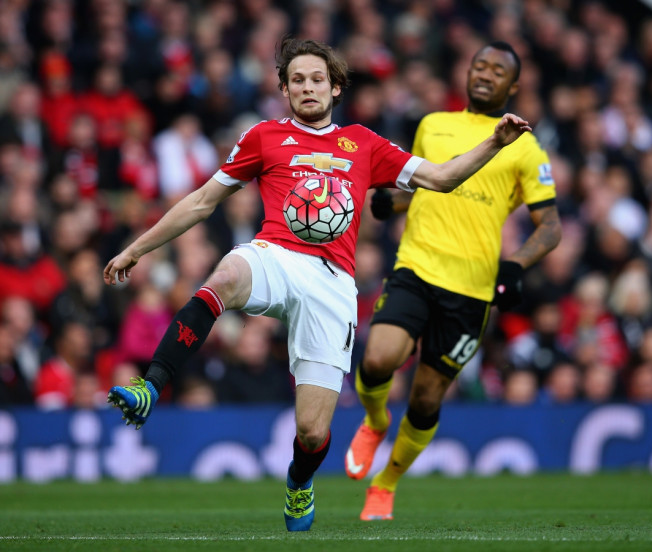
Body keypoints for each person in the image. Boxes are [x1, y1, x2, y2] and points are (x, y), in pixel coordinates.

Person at [102, 37, 531, 532]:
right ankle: (151, 387)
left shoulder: (365, 144)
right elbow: (202, 201)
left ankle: (300, 481)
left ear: (336, 88)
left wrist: (495, 142)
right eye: (298, 80)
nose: (308, 87)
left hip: (333, 284)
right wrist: (137, 248)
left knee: (311, 431)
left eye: (317, 79)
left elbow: (441, 177)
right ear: (284, 89)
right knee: (225, 274)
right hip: (276, 255)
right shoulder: (264, 136)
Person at [345, 41, 562, 521]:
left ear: (514, 85)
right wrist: (393, 202)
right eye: (479, 64)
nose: (485, 73)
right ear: (467, 72)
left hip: (471, 290)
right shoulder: (433, 124)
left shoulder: (524, 145)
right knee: (378, 357)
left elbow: (551, 227)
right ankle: (376, 420)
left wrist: (515, 266)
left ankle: (386, 484)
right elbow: (424, 186)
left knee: (425, 398)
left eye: (498, 69)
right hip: (417, 267)